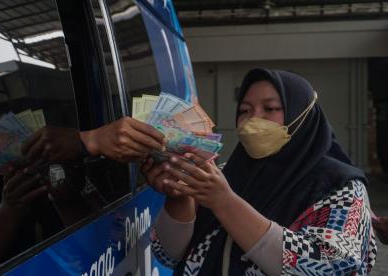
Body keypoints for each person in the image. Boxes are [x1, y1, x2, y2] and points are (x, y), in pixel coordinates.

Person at [142, 68, 377, 275]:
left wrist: (225, 203)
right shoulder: (223, 175)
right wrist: (179, 198)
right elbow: (170, 256)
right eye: (244, 110)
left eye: (271, 108)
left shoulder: (342, 187)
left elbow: (329, 266)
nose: (253, 119)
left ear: (302, 115)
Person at [0, 99, 164, 275]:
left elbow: (111, 247)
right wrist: (8, 212)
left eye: (29, 148)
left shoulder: (68, 179)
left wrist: (65, 200)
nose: (20, 164)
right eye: (0, 155)